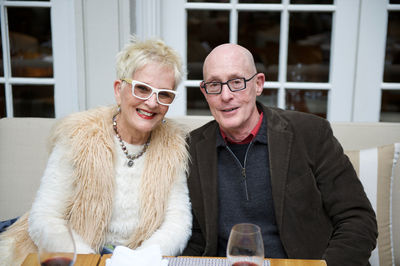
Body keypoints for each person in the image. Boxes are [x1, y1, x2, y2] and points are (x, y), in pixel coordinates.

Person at [0, 37, 192, 265]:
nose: (152, 102)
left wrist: (140, 259)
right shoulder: (79, 135)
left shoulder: (173, 146)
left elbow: (178, 221)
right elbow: (45, 219)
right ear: (119, 90)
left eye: (164, 94)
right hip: (73, 254)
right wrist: (92, 261)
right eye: (142, 88)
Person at [182, 43, 377, 266]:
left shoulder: (311, 133)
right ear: (205, 91)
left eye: (237, 82)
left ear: (258, 84)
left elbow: (358, 220)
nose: (226, 96)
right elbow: (195, 236)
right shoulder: (193, 148)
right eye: (215, 84)